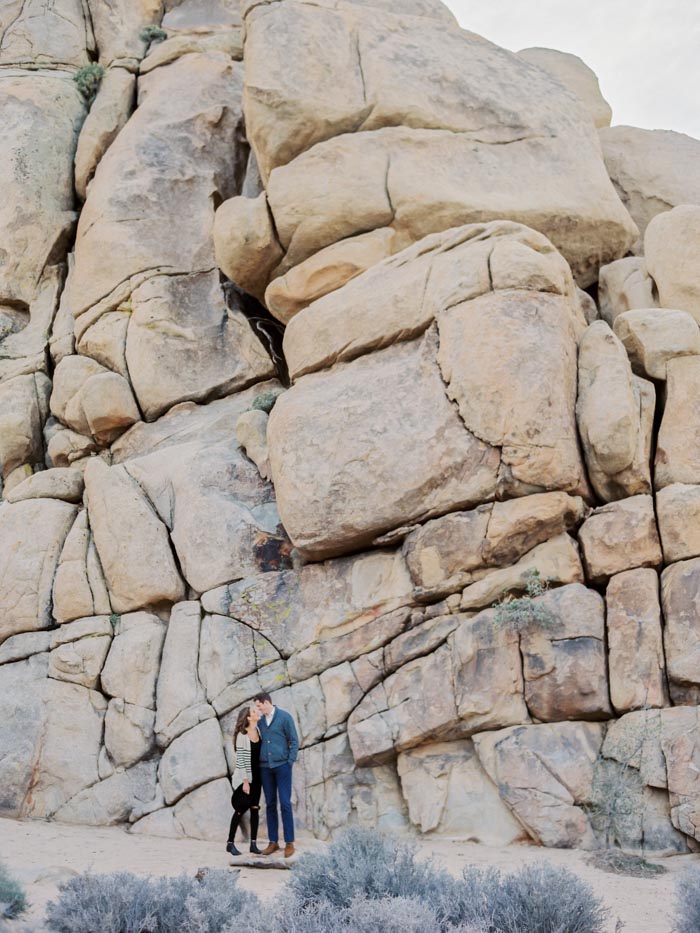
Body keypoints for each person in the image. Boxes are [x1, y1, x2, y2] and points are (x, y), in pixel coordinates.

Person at [254, 692, 299, 858]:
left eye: (259, 706)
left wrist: (290, 761)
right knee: (270, 804)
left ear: (266, 703)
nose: (257, 709)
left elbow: (294, 740)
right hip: (265, 768)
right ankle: (273, 842)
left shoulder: (284, 717)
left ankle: (289, 842)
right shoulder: (259, 722)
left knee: (285, 804)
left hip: (282, 767)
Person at [227, 705, 262, 856]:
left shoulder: (258, 731)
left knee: (255, 808)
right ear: (248, 717)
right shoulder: (242, 735)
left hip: (258, 776)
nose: (257, 713)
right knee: (240, 810)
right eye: (254, 712)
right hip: (245, 778)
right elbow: (240, 761)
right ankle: (230, 843)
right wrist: (246, 782)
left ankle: (253, 844)